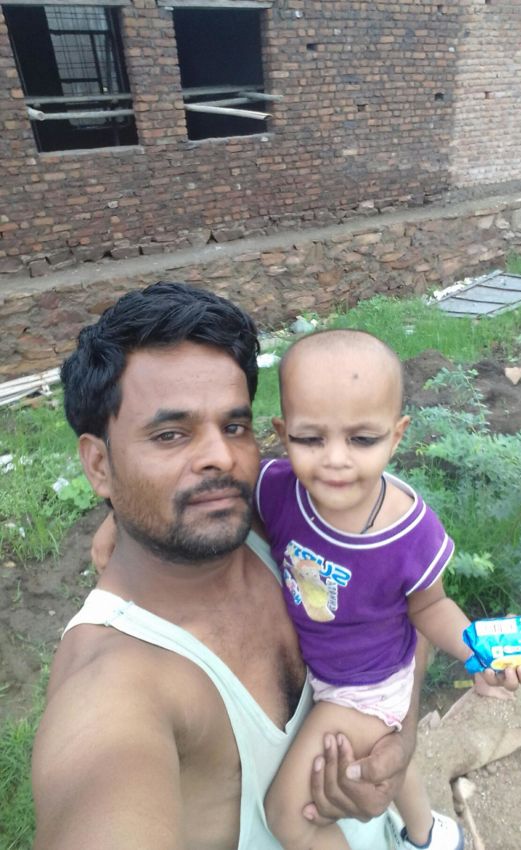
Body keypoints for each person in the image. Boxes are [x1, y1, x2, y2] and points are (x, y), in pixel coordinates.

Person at [31, 282, 424, 850]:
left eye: (235, 427)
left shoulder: (280, 528)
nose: (221, 456)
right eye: (171, 434)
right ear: (98, 465)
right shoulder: (111, 687)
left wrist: (400, 740)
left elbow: (403, 608)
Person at [253, 329, 521, 850]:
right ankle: (427, 834)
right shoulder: (277, 489)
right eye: (310, 438)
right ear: (282, 432)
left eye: (362, 439)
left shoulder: (409, 531)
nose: (335, 459)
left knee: (287, 816)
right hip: (330, 670)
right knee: (397, 765)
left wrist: (480, 651)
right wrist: (122, 521)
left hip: (366, 691)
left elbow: (431, 607)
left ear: (397, 435)